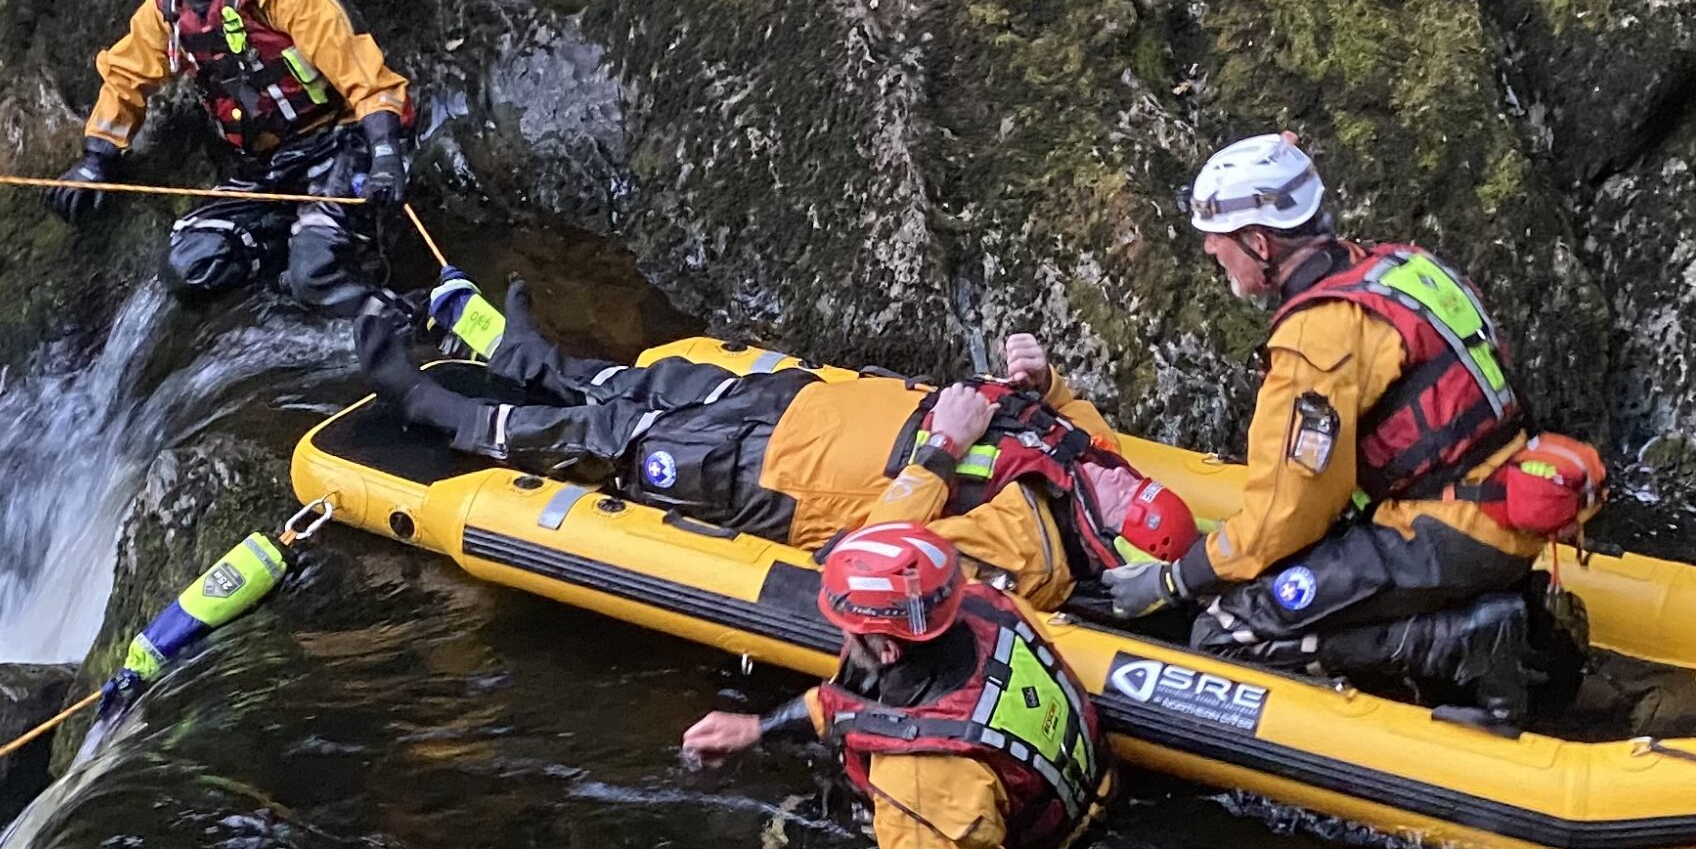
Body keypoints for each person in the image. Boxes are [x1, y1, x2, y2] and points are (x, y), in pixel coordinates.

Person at [1099, 132, 1598, 718]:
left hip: (1442, 533)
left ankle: (1457, 641)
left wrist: (1174, 581)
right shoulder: (1402, 268)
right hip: (1494, 507)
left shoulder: (1318, 339)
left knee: (1222, 636)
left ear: (1258, 242)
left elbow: (1288, 513)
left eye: (1218, 236)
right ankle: (1498, 616)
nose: (1210, 248)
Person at [355, 287, 1196, 609]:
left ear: (1105, 545)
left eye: (1126, 505)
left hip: (779, 481)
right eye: (1133, 487)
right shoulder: (1096, 466)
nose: (1122, 483)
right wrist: (1042, 376)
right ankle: (528, 360)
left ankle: (438, 410)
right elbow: (1070, 413)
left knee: (618, 440)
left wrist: (943, 450)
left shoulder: (1029, 552)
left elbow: (878, 556)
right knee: (655, 383)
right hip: (810, 410)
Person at [680, 521, 1109, 849]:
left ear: (886, 648)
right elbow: (866, 703)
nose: (842, 636)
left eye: (849, 630)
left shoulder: (921, 777)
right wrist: (761, 728)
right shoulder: (988, 606)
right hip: (1079, 795)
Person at [49, 0, 415, 317]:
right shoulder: (167, 11)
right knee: (191, 267)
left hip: (342, 142)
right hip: (266, 170)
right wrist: (96, 157)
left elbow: (368, 77)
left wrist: (384, 153)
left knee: (316, 273)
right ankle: (293, 257)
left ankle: (407, 320)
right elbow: (127, 74)